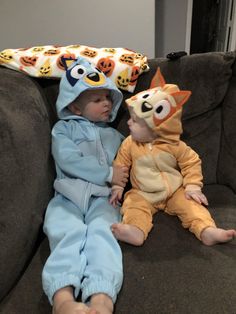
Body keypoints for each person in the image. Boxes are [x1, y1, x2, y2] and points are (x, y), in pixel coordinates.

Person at [110, 68, 236, 247]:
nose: (128, 123)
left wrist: (193, 186)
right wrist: (117, 186)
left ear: (157, 129)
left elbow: (191, 162)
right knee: (133, 205)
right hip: (143, 192)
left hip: (174, 192)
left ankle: (207, 230)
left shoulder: (175, 146)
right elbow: (121, 164)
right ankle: (135, 230)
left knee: (192, 206)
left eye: (135, 121)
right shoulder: (130, 143)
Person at [42, 56, 129, 314]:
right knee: (66, 234)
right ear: (76, 108)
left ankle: (102, 297)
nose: (106, 103)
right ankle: (62, 299)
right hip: (67, 197)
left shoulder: (114, 135)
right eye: (97, 99)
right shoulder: (64, 130)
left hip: (104, 199)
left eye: (108, 98)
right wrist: (107, 173)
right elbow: (67, 159)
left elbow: (130, 158)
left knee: (103, 234)